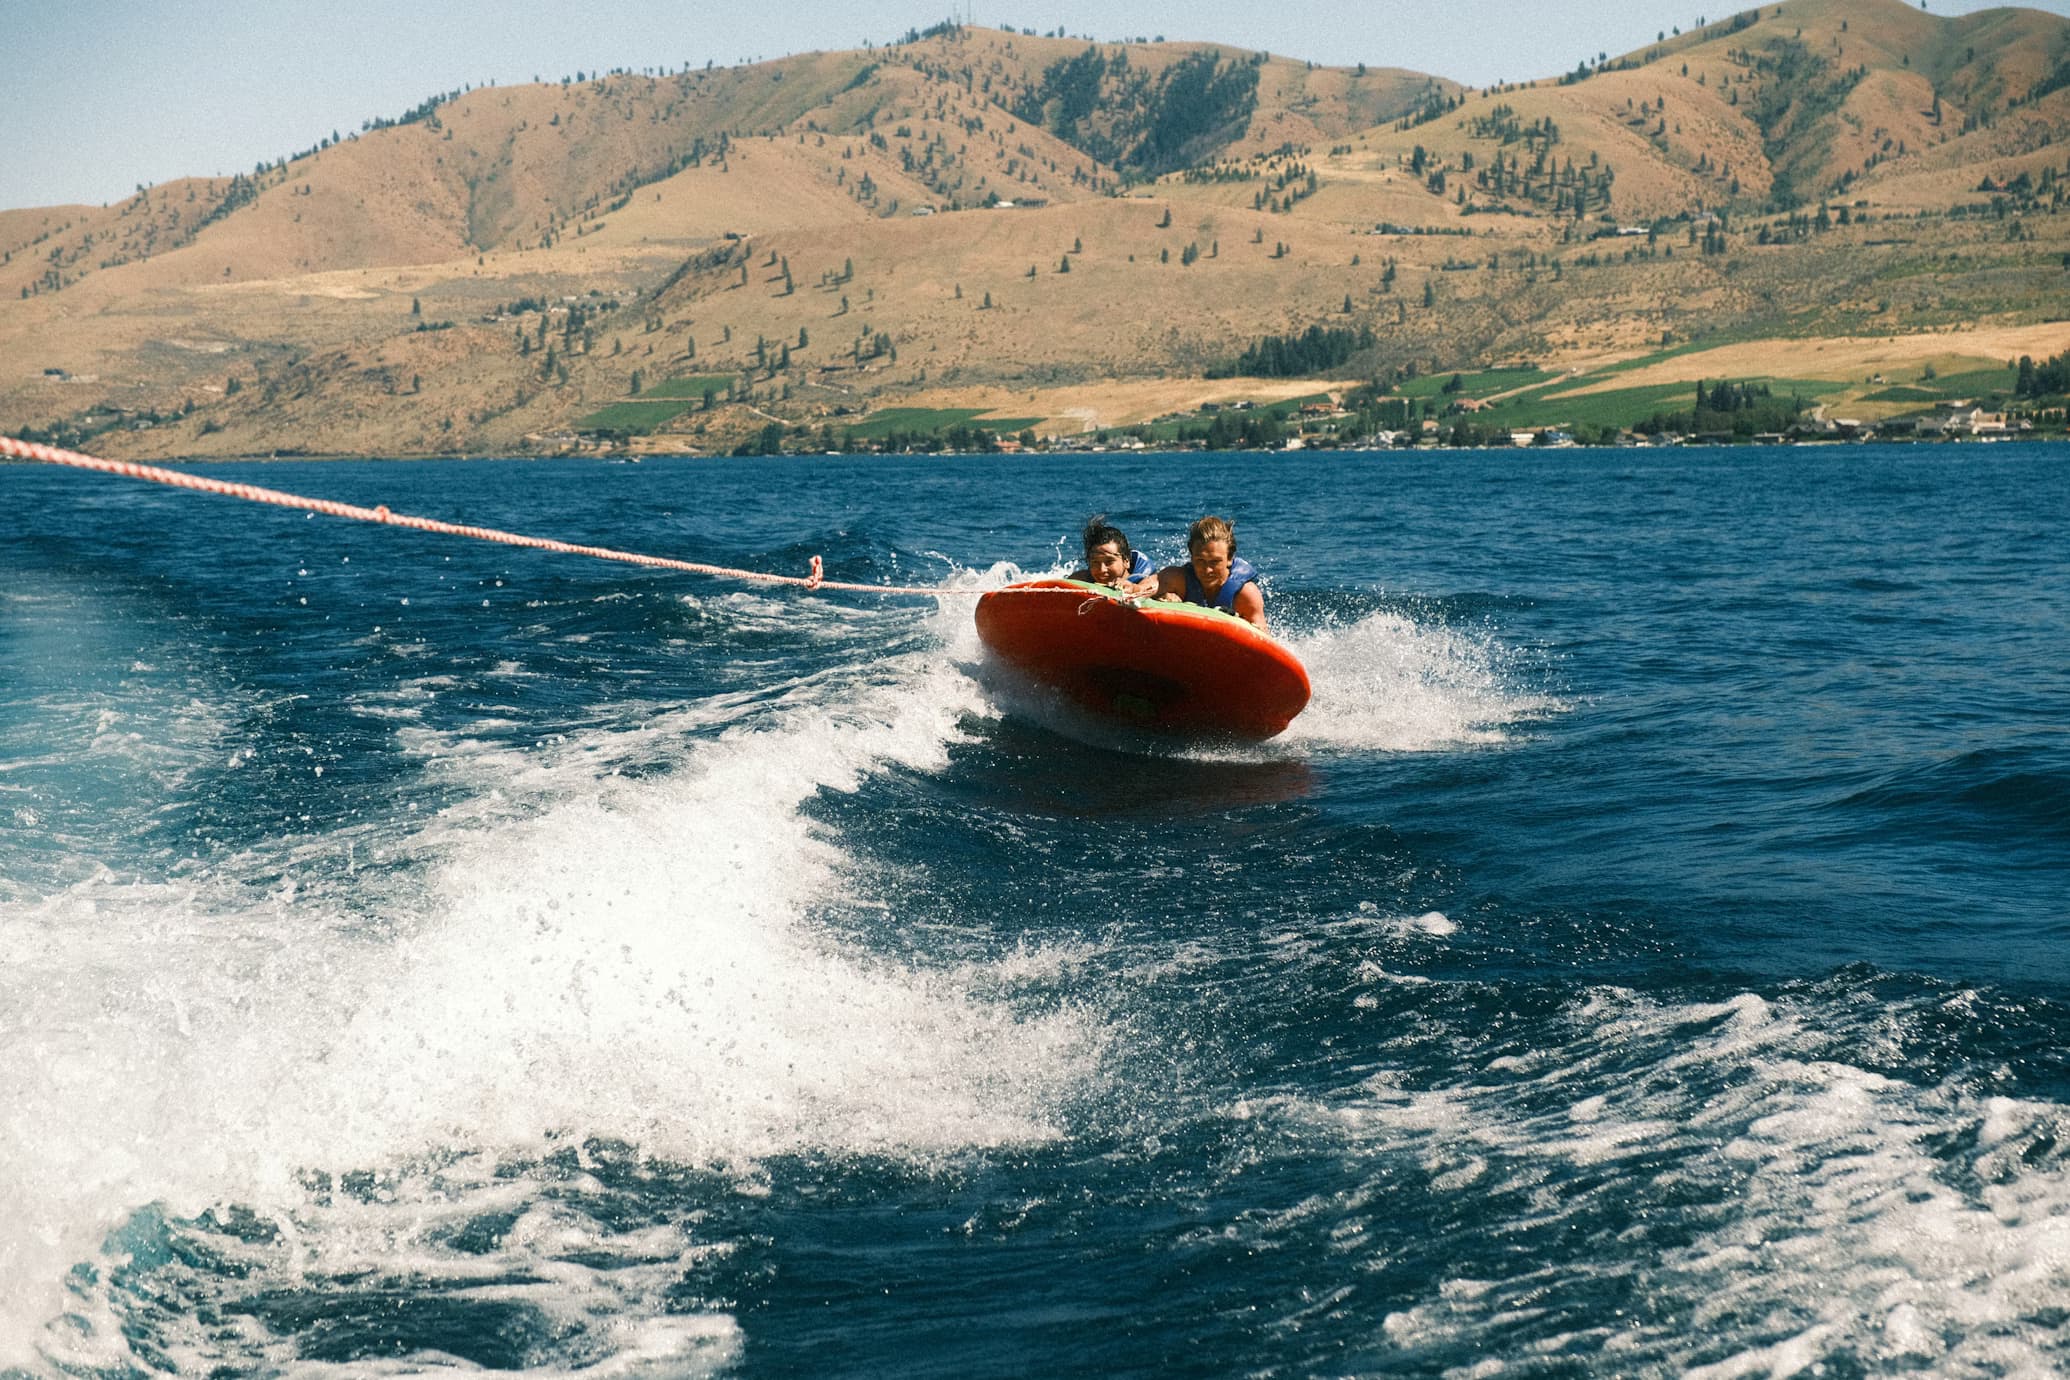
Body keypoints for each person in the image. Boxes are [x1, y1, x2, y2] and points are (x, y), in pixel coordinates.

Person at [1155, 514, 1266, 629]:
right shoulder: (1175, 581)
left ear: (1229, 558)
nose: (1207, 570)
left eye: (1215, 562)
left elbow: (1263, 639)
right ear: (1191, 555)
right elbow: (1142, 589)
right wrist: (1161, 599)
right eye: (1201, 561)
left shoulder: (1245, 595)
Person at [1069, 516, 1157, 593]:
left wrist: (1135, 589)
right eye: (1095, 562)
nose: (1102, 570)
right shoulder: (1083, 578)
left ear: (1126, 561)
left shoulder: (1144, 578)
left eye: (1109, 561)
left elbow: (1154, 585)